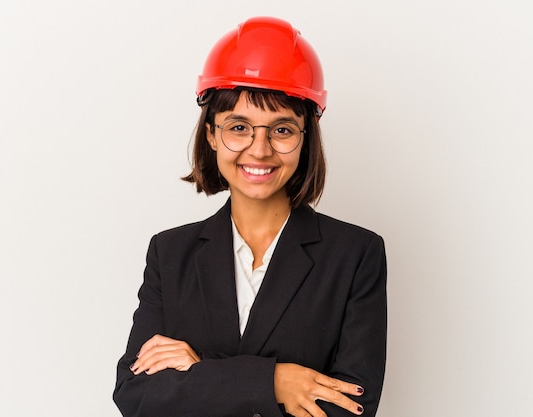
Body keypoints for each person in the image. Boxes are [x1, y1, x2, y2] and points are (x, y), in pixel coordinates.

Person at [113, 16, 387, 417]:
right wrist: (276, 382)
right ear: (210, 133)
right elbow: (137, 396)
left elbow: (350, 408)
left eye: (281, 130)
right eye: (239, 127)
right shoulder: (170, 253)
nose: (259, 150)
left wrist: (200, 373)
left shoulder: (356, 255)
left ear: (305, 139)